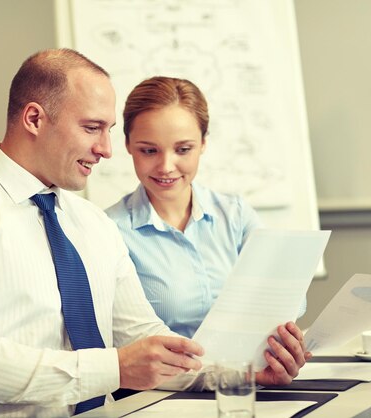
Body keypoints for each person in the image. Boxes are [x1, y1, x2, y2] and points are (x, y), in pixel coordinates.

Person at [0, 50, 306, 418]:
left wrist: (241, 372)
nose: (107, 150)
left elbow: (145, 336)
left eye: (109, 130)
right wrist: (115, 368)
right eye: (93, 128)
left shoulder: (91, 223)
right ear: (35, 119)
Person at [106, 76, 311, 385]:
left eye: (183, 149)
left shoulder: (235, 215)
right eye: (149, 151)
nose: (166, 166)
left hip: (249, 384)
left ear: (203, 143)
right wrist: (235, 375)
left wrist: (282, 342)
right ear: (128, 146)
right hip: (162, 400)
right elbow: (128, 349)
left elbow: (291, 298)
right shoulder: (109, 231)